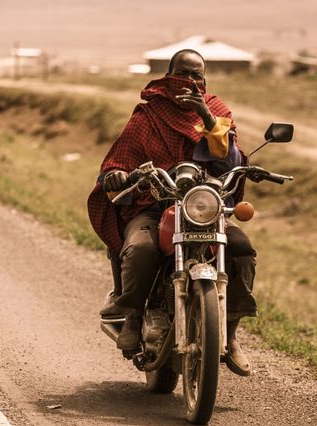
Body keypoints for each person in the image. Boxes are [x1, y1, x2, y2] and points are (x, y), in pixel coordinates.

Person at [87, 49, 256, 377]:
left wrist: (206, 118)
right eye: (183, 74)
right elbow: (119, 160)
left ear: (205, 80)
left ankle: (231, 334)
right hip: (153, 205)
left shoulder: (217, 111)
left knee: (240, 248)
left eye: (197, 75)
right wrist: (117, 175)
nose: (190, 81)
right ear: (168, 76)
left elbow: (230, 164)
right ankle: (133, 315)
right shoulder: (147, 116)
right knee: (140, 248)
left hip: (203, 208)